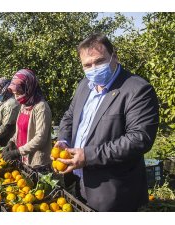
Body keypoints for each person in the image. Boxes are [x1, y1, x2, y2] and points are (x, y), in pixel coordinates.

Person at [54, 33, 159, 211]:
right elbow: (69, 117)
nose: (93, 68)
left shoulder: (137, 90)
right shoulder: (84, 86)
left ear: (114, 56)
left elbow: (139, 139)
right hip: (78, 182)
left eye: (100, 61)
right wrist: (63, 140)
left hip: (113, 192)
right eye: (87, 65)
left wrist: (88, 156)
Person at [2, 69, 52, 170]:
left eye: (19, 92)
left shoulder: (41, 107)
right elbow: (20, 130)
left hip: (37, 163)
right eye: (15, 93)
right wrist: (12, 141)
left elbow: (40, 138)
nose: (17, 97)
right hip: (24, 160)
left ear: (29, 87)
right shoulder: (24, 105)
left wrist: (17, 152)